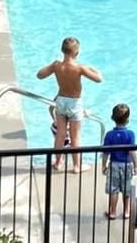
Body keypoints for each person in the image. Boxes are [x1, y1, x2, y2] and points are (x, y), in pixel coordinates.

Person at [36, 37, 103, 173]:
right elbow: (99, 79)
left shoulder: (56, 65)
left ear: (62, 50)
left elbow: (39, 75)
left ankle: (57, 163)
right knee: (75, 136)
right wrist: (91, 68)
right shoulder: (79, 68)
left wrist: (53, 65)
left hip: (61, 101)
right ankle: (77, 166)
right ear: (77, 53)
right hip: (75, 103)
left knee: (60, 135)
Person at [101, 103, 137, 220]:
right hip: (127, 165)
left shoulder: (109, 135)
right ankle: (126, 211)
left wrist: (103, 166)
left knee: (114, 190)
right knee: (127, 189)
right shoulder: (130, 134)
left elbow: (106, 153)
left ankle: (112, 212)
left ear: (112, 118)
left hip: (114, 165)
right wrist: (136, 165)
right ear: (127, 120)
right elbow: (132, 152)